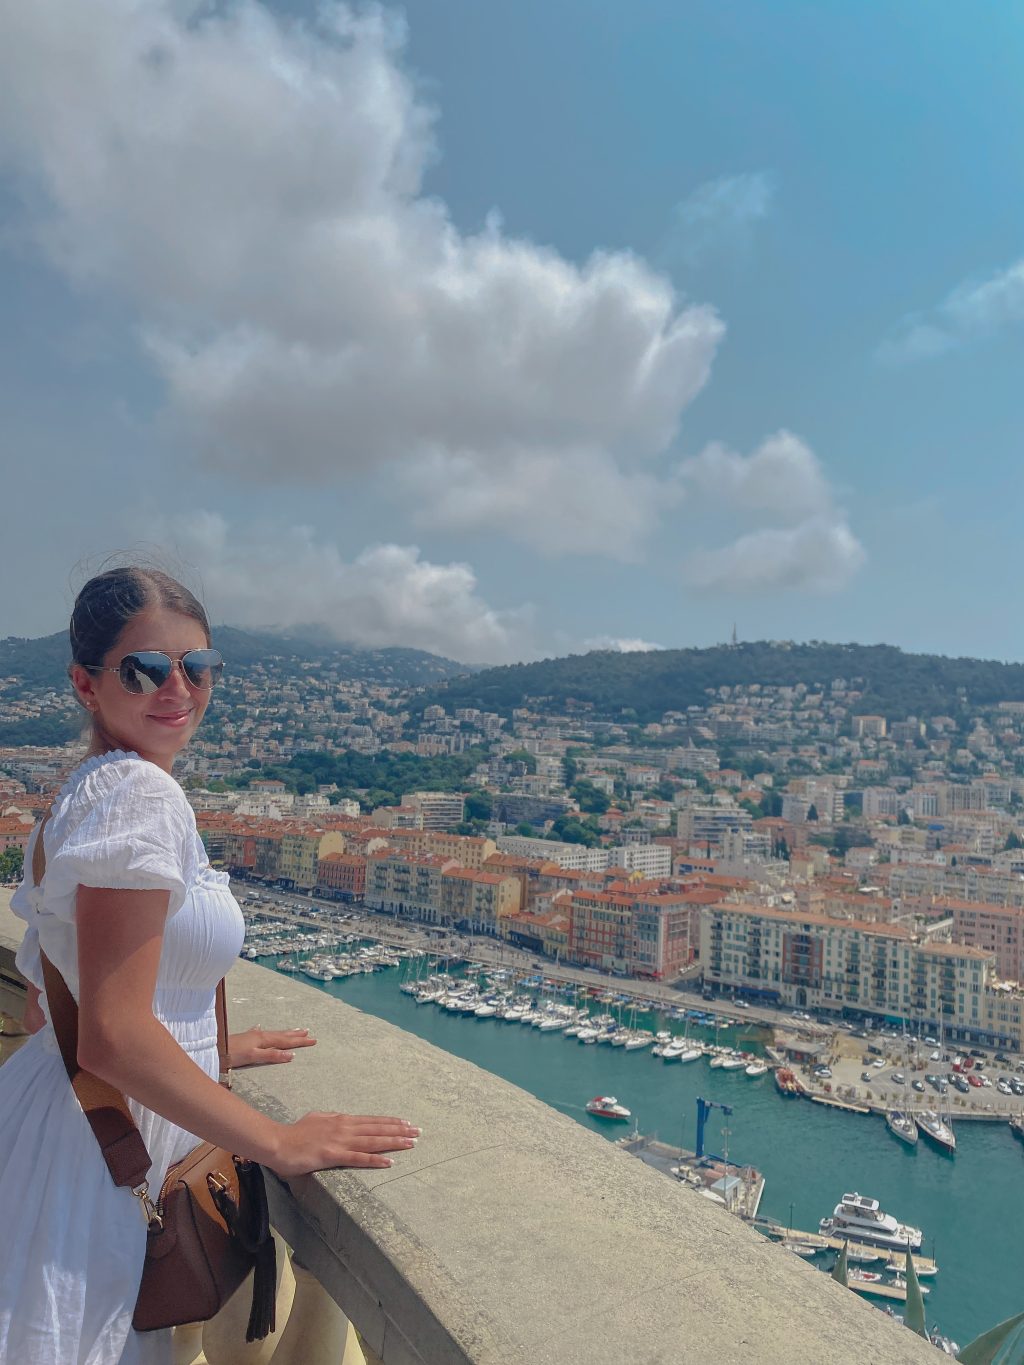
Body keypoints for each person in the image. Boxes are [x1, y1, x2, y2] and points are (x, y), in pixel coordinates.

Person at [0, 567, 420, 1365]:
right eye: (146, 669)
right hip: (97, 1168)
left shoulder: (77, 797)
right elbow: (113, 1038)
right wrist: (278, 1141)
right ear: (86, 684)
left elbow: (42, 1009)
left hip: (50, 1132)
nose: (179, 688)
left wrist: (203, 1041)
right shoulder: (139, 799)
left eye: (198, 666)